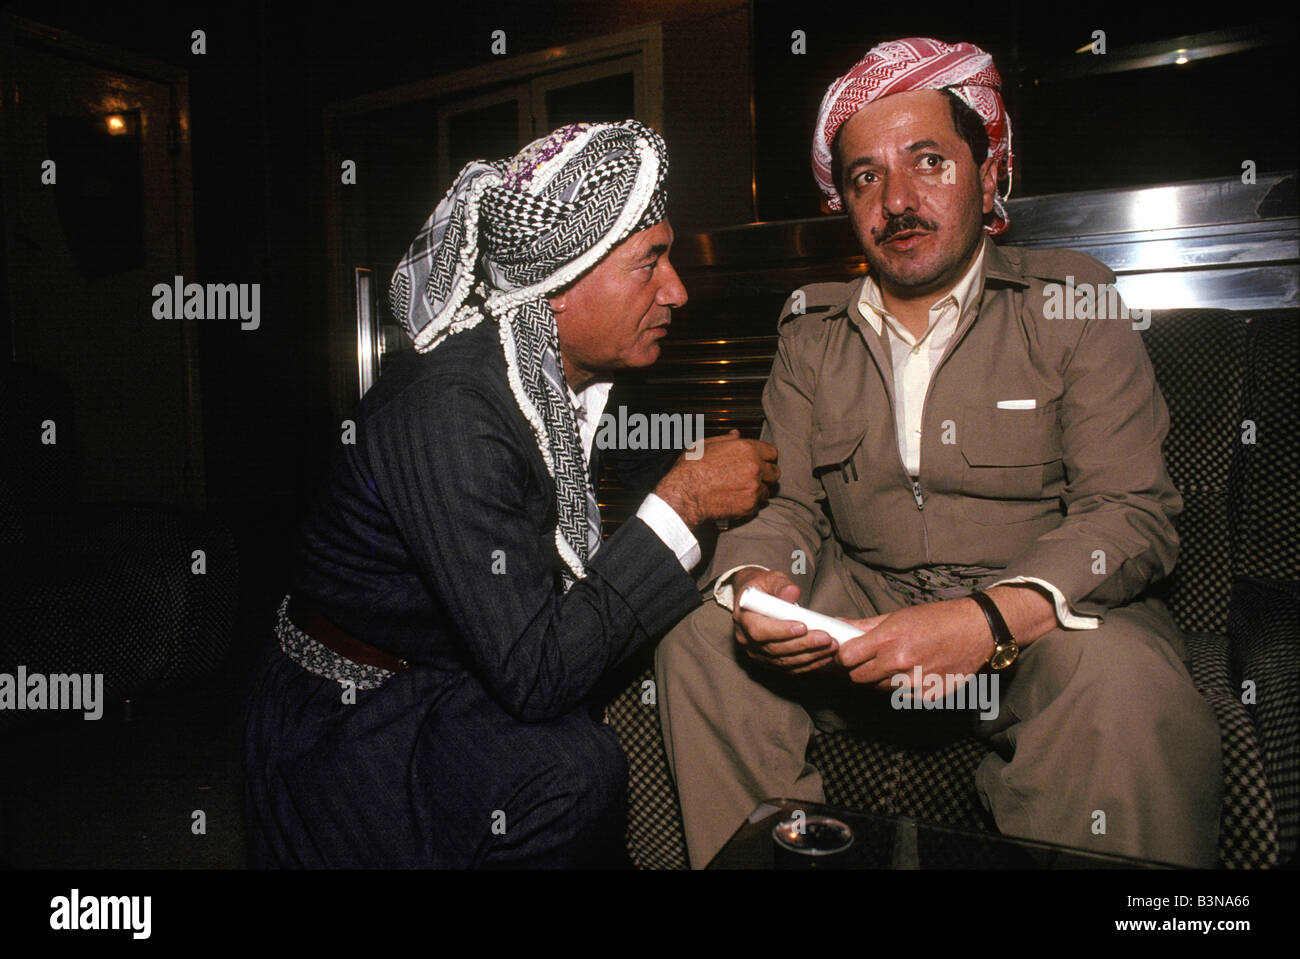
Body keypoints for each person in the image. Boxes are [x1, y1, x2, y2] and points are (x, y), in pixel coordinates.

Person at [655, 39, 1223, 869]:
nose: (897, 201)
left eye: (930, 163)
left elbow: (1130, 510)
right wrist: (753, 587)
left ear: (989, 176)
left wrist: (988, 618)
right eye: (866, 178)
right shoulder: (811, 332)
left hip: (1038, 626)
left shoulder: (1073, 299)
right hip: (867, 608)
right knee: (700, 641)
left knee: (1125, 688)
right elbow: (788, 506)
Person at [242, 120, 778, 868]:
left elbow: (662, 476)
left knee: (587, 759)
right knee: (573, 772)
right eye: (650, 262)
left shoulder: (576, 379)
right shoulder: (451, 411)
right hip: (352, 708)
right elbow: (536, 672)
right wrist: (684, 501)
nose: (677, 289)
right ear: (557, 288)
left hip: (444, 672)